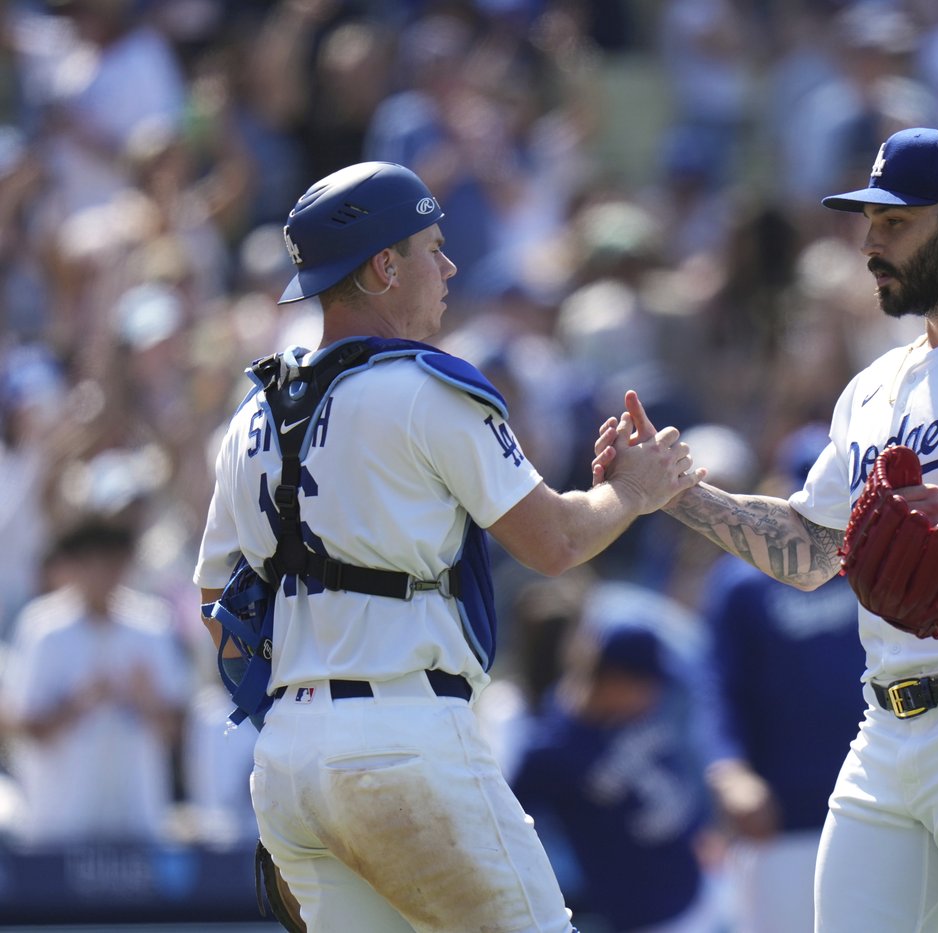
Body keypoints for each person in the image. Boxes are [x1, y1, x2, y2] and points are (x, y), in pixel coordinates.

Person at [594, 126, 938, 932]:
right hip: (887, 728)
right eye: (869, 222)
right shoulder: (876, 388)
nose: (870, 242)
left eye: (896, 222)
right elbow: (816, 550)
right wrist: (675, 496)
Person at [193, 161, 702, 933]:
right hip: (402, 738)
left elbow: (213, 604)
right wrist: (632, 491)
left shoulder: (252, 414)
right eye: (432, 246)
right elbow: (556, 541)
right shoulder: (426, 386)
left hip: (289, 760)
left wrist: (312, 712)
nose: (449, 265)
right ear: (382, 265)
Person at [698, 424, 866, 933]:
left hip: (879, 803)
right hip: (782, 817)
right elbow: (719, 688)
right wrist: (728, 770)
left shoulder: (879, 565)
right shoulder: (742, 584)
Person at [511, 614, 720, 933]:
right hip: (638, 916)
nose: (655, 694)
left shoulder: (638, 715)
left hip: (698, 888)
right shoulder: (551, 749)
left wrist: (700, 827)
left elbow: (676, 776)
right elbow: (510, 827)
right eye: (645, 684)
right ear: (613, 680)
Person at [0, 516, 189, 845]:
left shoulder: (152, 625)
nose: (103, 574)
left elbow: (175, 729)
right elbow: (19, 724)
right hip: (59, 827)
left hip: (138, 823)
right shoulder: (43, 628)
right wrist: (77, 703)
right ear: (73, 566)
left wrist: (143, 700)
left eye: (112, 561)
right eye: (92, 563)